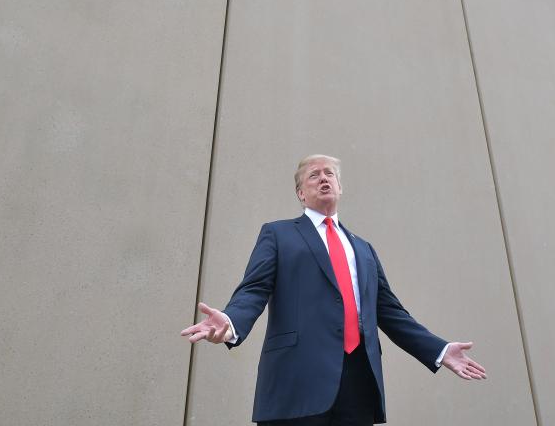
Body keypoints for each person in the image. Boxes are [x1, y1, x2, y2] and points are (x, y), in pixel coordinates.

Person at [181, 154, 486, 425]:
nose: (323, 178)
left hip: (358, 386)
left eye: (329, 174)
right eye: (314, 175)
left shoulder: (364, 250)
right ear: (301, 193)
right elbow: (255, 288)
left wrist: (440, 350)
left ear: (340, 187)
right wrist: (232, 320)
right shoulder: (278, 234)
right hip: (297, 382)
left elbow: (391, 313)